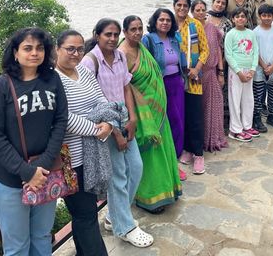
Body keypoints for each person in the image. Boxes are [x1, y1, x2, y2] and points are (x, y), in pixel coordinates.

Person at [0, 27, 68, 256]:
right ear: (15, 53)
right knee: (17, 246)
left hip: (44, 173)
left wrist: (43, 165)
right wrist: (26, 172)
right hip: (8, 179)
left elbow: (60, 121)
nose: (34, 53)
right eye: (27, 48)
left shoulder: (52, 80)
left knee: (42, 237)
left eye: (40, 48)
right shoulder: (0, 87)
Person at [82, 19, 153, 249]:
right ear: (97, 35)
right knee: (119, 175)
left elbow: (125, 87)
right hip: (105, 126)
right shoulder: (89, 62)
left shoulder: (120, 56)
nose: (112, 39)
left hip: (123, 120)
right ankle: (125, 227)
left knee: (136, 168)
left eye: (115, 35)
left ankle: (114, 216)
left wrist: (132, 118)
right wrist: (114, 131)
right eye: (107, 35)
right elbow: (92, 103)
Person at [55, 30, 113, 256]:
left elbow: (102, 101)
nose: (76, 53)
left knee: (85, 213)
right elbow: (63, 117)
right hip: (68, 160)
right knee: (85, 214)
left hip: (92, 158)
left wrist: (107, 122)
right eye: (70, 48)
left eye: (80, 49)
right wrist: (96, 129)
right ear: (57, 49)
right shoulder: (52, 79)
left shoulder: (84, 72)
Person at [119, 15, 182, 213]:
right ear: (125, 32)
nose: (137, 33)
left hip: (157, 107)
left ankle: (168, 189)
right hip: (143, 111)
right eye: (133, 30)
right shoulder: (123, 53)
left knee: (163, 147)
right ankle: (148, 197)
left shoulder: (141, 48)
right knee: (150, 151)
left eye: (140, 29)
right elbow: (125, 85)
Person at [141, 8, 187, 181]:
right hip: (159, 86)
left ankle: (175, 161)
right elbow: (143, 63)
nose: (165, 23)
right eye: (161, 20)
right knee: (163, 124)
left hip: (176, 83)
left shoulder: (174, 38)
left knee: (178, 123)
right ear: (155, 21)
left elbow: (181, 60)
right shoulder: (148, 40)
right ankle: (165, 163)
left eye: (168, 20)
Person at [173, 0, 209, 175]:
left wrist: (197, 69)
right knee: (181, 116)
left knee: (195, 117)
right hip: (175, 80)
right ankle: (186, 149)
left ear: (189, 8)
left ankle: (198, 155)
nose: (181, 8)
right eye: (178, 5)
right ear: (174, 6)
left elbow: (204, 50)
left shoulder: (195, 25)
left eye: (185, 5)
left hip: (193, 79)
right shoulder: (169, 25)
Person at [191, 0, 228, 152]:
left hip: (211, 74)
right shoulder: (189, 28)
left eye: (202, 10)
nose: (200, 13)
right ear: (192, 12)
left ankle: (211, 139)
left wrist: (220, 72)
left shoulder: (212, 28)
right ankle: (196, 142)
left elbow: (218, 51)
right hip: (194, 76)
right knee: (197, 110)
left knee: (212, 107)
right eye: (197, 10)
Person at [224, 8, 260, 142]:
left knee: (248, 99)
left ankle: (247, 126)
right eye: (237, 16)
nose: (240, 19)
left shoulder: (251, 33)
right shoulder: (231, 34)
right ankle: (235, 130)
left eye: (243, 16)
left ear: (246, 19)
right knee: (235, 99)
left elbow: (256, 52)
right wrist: (238, 72)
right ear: (233, 19)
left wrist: (253, 69)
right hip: (236, 71)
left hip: (249, 70)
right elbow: (228, 55)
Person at [253, 4, 273, 131]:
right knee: (258, 95)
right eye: (264, 15)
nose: (266, 18)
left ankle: (272, 116)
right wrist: (264, 65)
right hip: (259, 69)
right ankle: (257, 119)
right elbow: (255, 51)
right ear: (260, 16)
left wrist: (272, 66)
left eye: (269, 15)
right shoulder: (255, 32)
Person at [206, 0, 233, 133]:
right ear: (213, 2)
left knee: (221, 94)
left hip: (222, 63)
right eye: (218, 2)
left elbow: (227, 47)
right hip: (204, 65)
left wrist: (219, 66)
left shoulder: (227, 23)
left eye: (223, 3)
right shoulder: (204, 18)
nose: (220, 5)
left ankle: (219, 126)